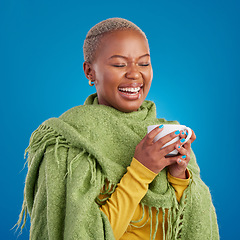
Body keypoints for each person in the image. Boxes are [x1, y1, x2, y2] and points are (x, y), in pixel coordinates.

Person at [17, 18, 219, 239]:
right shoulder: (68, 142)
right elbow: (81, 233)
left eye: (143, 63)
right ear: (89, 72)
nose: (134, 74)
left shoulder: (168, 136)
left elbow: (193, 228)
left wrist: (179, 178)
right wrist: (142, 170)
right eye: (119, 64)